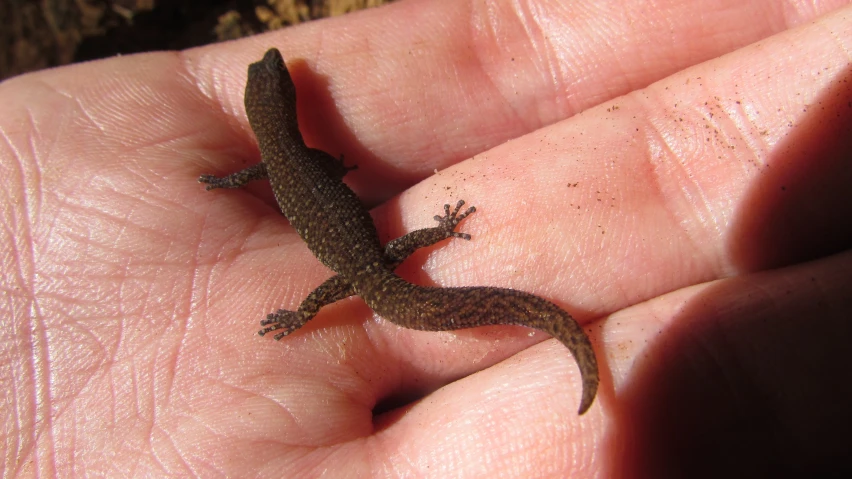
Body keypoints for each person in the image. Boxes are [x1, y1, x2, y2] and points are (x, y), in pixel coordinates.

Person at [1, 1, 850, 476]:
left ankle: (552, 331)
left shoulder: (267, 161)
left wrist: (234, 202)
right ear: (279, 116)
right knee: (366, 275)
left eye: (272, 79)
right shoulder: (295, 155)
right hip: (372, 263)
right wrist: (404, 239)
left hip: (368, 268)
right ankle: (545, 327)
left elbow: (289, 173)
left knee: (358, 280)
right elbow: (327, 163)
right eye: (274, 82)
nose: (273, 73)